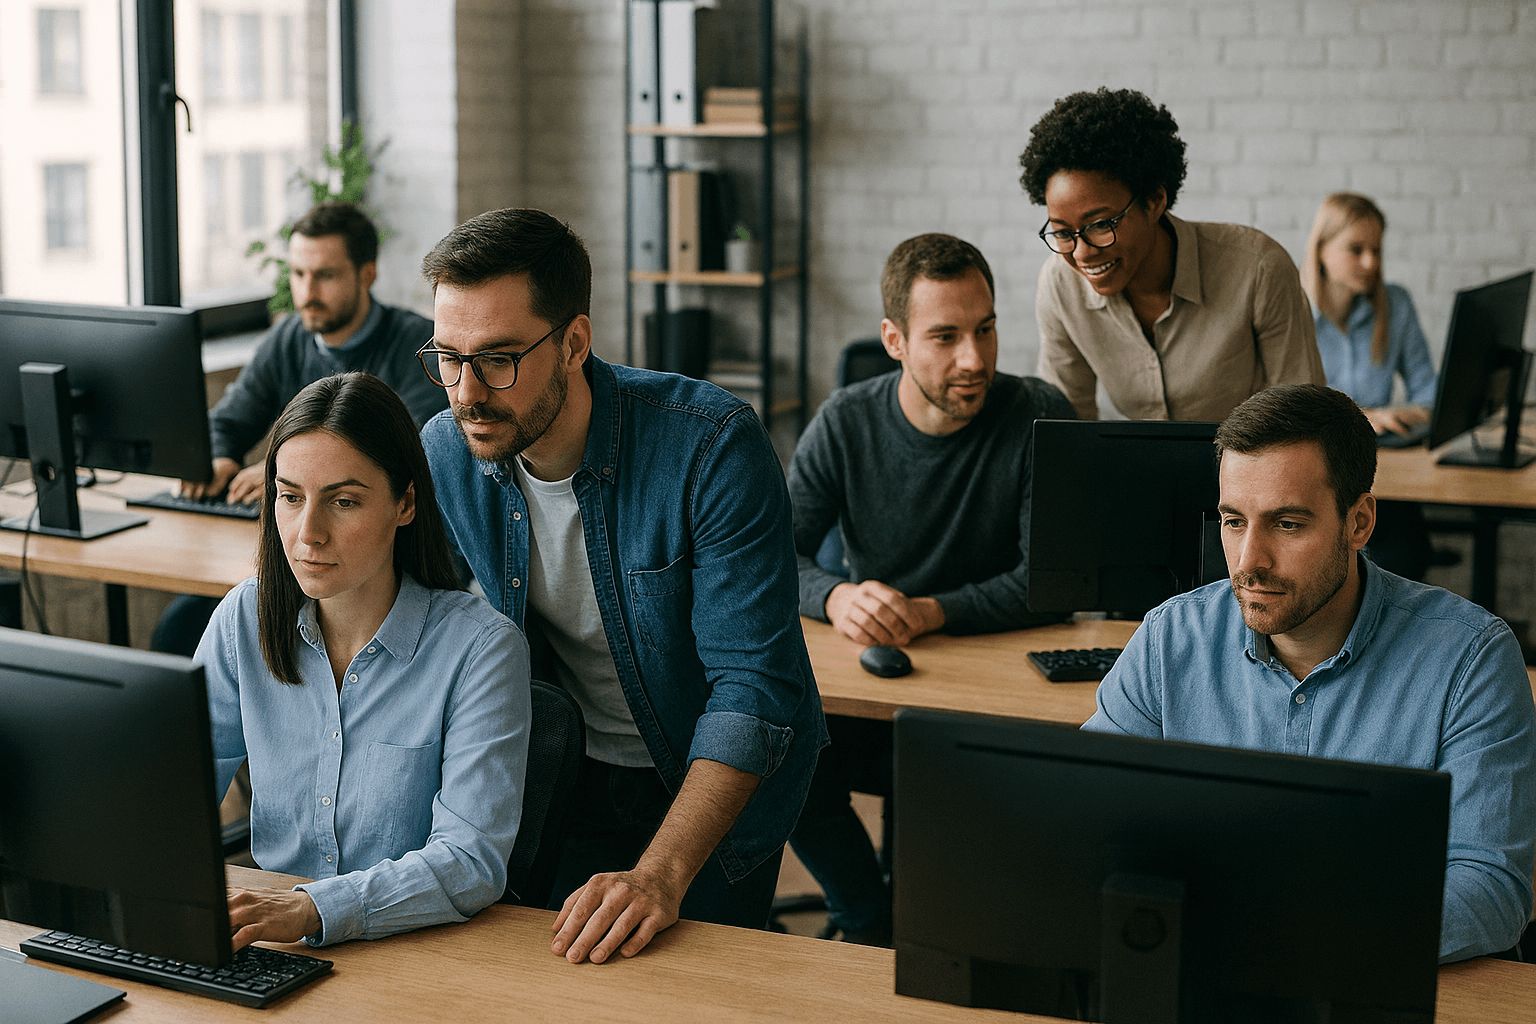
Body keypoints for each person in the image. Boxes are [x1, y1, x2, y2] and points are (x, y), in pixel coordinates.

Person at [416, 208, 825, 965]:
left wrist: (659, 873)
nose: (467, 391)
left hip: (713, 779)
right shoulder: (448, 449)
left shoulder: (710, 446)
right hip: (571, 768)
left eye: (499, 358)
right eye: (448, 357)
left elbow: (753, 689)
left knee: (700, 998)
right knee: (570, 981)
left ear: (574, 342)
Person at [1084, 383, 1536, 963]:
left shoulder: (1472, 660)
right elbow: (1091, 830)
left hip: (1373, 984)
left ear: (1359, 522)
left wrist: (1290, 935)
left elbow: (1491, 888)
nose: (1248, 561)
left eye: (1287, 524)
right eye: (1232, 521)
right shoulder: (1170, 639)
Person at [786, 233, 1075, 945]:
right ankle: (863, 910)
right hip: (873, 682)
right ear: (894, 339)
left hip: (983, 698)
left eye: (985, 330)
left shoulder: (1041, 413)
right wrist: (837, 597)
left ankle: (902, 921)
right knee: (772, 741)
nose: (974, 359)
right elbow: (771, 555)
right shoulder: (846, 420)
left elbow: (1050, 587)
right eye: (944, 337)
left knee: (938, 869)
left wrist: (928, 612)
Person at [197, 371, 530, 949]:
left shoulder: (481, 650)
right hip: (269, 947)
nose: (308, 534)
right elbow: (176, 792)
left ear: (405, 503)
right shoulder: (243, 619)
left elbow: (469, 860)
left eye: (343, 501)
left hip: (416, 952)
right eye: (290, 496)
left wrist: (310, 911)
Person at [155, 201, 446, 656]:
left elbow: (420, 460)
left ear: (366, 274)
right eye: (298, 274)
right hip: (291, 554)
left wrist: (280, 472)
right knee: (177, 629)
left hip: (380, 566)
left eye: (325, 275)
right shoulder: (288, 338)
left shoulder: (417, 347)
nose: (307, 291)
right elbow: (228, 421)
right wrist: (218, 457)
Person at [1020, 87, 1325, 421]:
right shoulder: (1060, 285)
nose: (1081, 254)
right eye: (1063, 232)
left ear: (1153, 202)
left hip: (1248, 471)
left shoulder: (1259, 270)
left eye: (1100, 225)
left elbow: (1305, 422)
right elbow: (1066, 427)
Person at [1304, 191, 1437, 580]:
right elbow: (1284, 411)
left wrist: (1392, 415)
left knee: (1405, 557)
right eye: (1356, 249)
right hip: (1317, 474)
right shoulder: (1293, 312)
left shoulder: (1395, 305)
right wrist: (1364, 417)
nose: (1371, 262)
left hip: (1382, 474)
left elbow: (1430, 395)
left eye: (1376, 249)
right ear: (1322, 250)